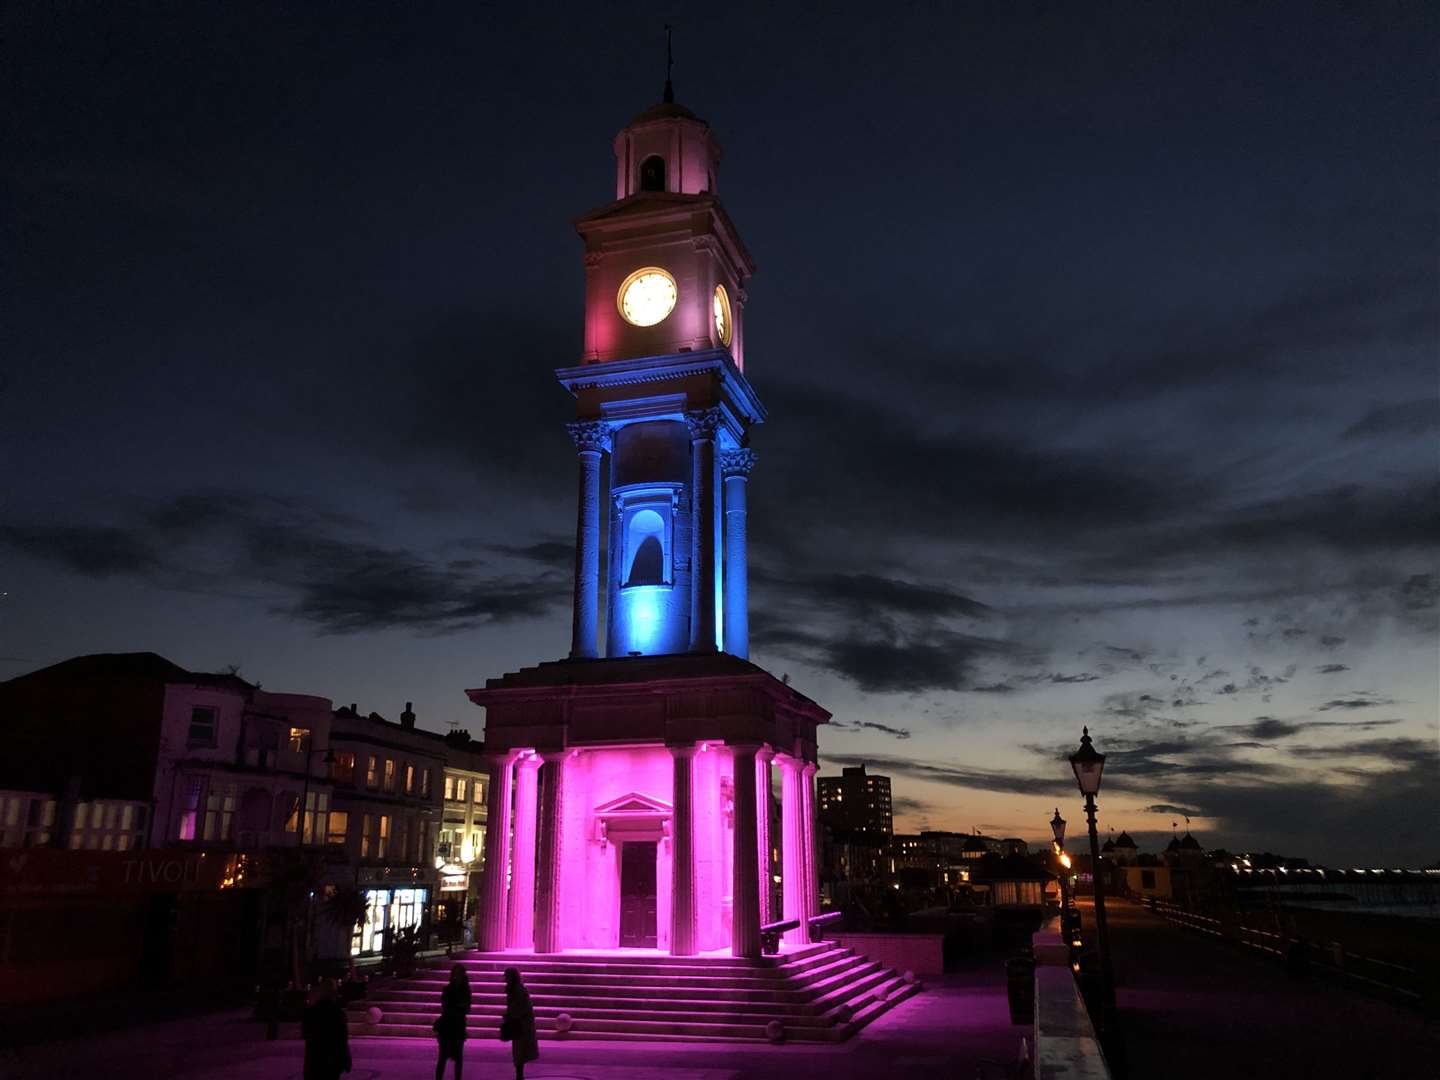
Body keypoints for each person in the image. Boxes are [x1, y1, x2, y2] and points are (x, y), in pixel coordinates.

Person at [301, 978, 352, 1080]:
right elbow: (342, 1039)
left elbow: (305, 1034)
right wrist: (346, 1060)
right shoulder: (337, 1013)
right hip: (332, 1061)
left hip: (314, 1061)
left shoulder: (311, 1012)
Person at [434, 964, 472, 1080]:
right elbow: (446, 1006)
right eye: (455, 974)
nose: (457, 977)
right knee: (442, 1056)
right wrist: (458, 1006)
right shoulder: (448, 989)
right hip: (447, 1025)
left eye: (459, 974)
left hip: (458, 1025)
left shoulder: (465, 990)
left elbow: (466, 1007)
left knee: (458, 1057)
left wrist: (457, 1006)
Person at [501, 967, 539, 1080]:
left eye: (507, 976)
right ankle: (519, 1075)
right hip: (520, 1023)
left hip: (521, 1024)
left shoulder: (517, 990)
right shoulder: (515, 989)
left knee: (519, 1051)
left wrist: (510, 1015)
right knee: (519, 1051)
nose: (505, 978)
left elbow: (521, 1007)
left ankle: (519, 1075)